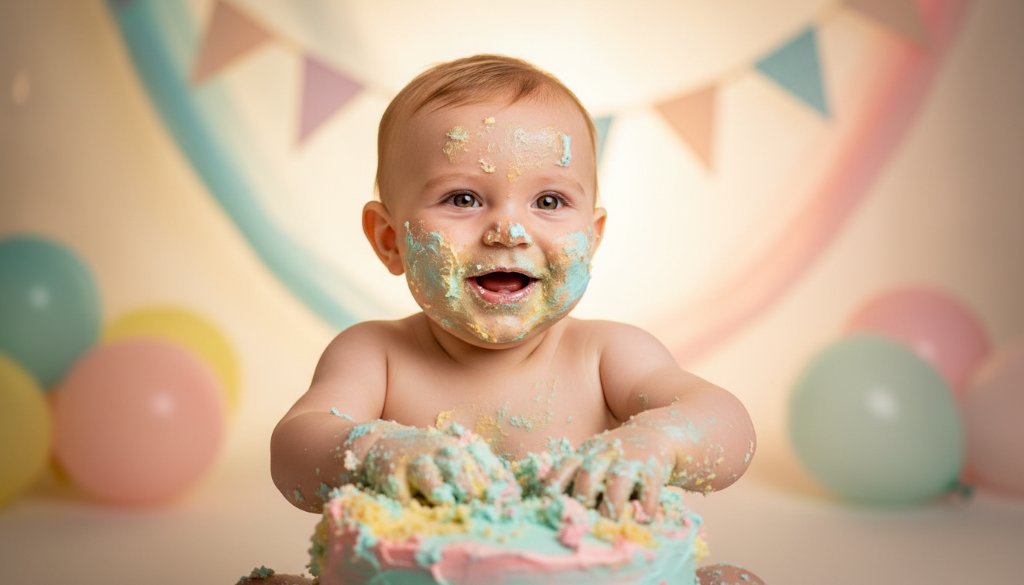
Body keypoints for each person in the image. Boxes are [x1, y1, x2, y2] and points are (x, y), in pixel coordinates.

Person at [271, 54, 756, 528]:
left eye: (549, 201)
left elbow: (727, 424)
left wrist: (657, 443)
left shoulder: (606, 355)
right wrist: (375, 451)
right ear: (389, 239)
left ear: (592, 238)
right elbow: (294, 447)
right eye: (462, 198)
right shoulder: (376, 357)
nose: (508, 230)